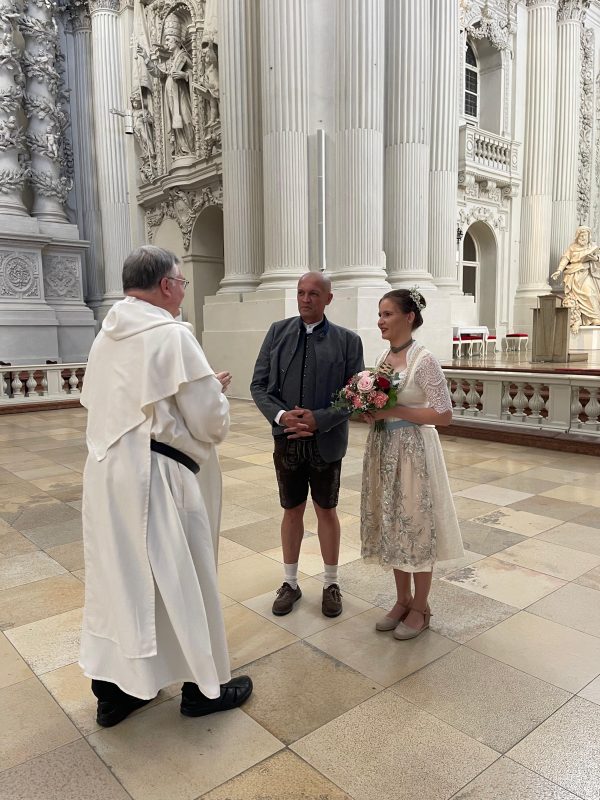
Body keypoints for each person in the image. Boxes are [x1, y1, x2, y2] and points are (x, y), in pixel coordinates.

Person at [80, 246, 252, 727]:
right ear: (164, 286)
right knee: (184, 574)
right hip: (157, 476)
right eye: (181, 280)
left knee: (121, 581)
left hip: (107, 472)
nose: (183, 288)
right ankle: (204, 687)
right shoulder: (171, 335)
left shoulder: (106, 336)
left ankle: (118, 692)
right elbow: (209, 421)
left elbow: (114, 400)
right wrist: (213, 390)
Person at [250, 272, 364, 618]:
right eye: (301, 292)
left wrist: (319, 419)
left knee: (326, 510)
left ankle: (331, 583)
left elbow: (355, 395)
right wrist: (283, 417)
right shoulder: (277, 333)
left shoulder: (348, 341)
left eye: (314, 293)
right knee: (292, 510)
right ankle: (290, 583)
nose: (306, 298)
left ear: (328, 299)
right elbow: (258, 386)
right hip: (286, 442)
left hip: (326, 442)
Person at [359, 288, 463, 639]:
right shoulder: (384, 357)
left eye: (387, 314)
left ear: (409, 317)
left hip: (414, 451)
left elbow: (444, 414)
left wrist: (395, 410)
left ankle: (421, 606)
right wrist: (369, 412)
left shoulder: (424, 360)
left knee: (416, 527)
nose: (380, 321)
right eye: (379, 314)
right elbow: (379, 401)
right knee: (392, 524)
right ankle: (402, 599)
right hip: (384, 448)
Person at [551, 225, 600, 333]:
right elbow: (565, 258)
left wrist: (595, 258)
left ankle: (593, 317)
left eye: (585, 236)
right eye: (581, 235)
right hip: (574, 274)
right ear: (577, 236)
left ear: (589, 236)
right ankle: (580, 319)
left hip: (587, 273)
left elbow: (598, 260)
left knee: (590, 294)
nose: (583, 238)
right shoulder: (572, 247)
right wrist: (559, 270)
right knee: (580, 297)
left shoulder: (592, 247)